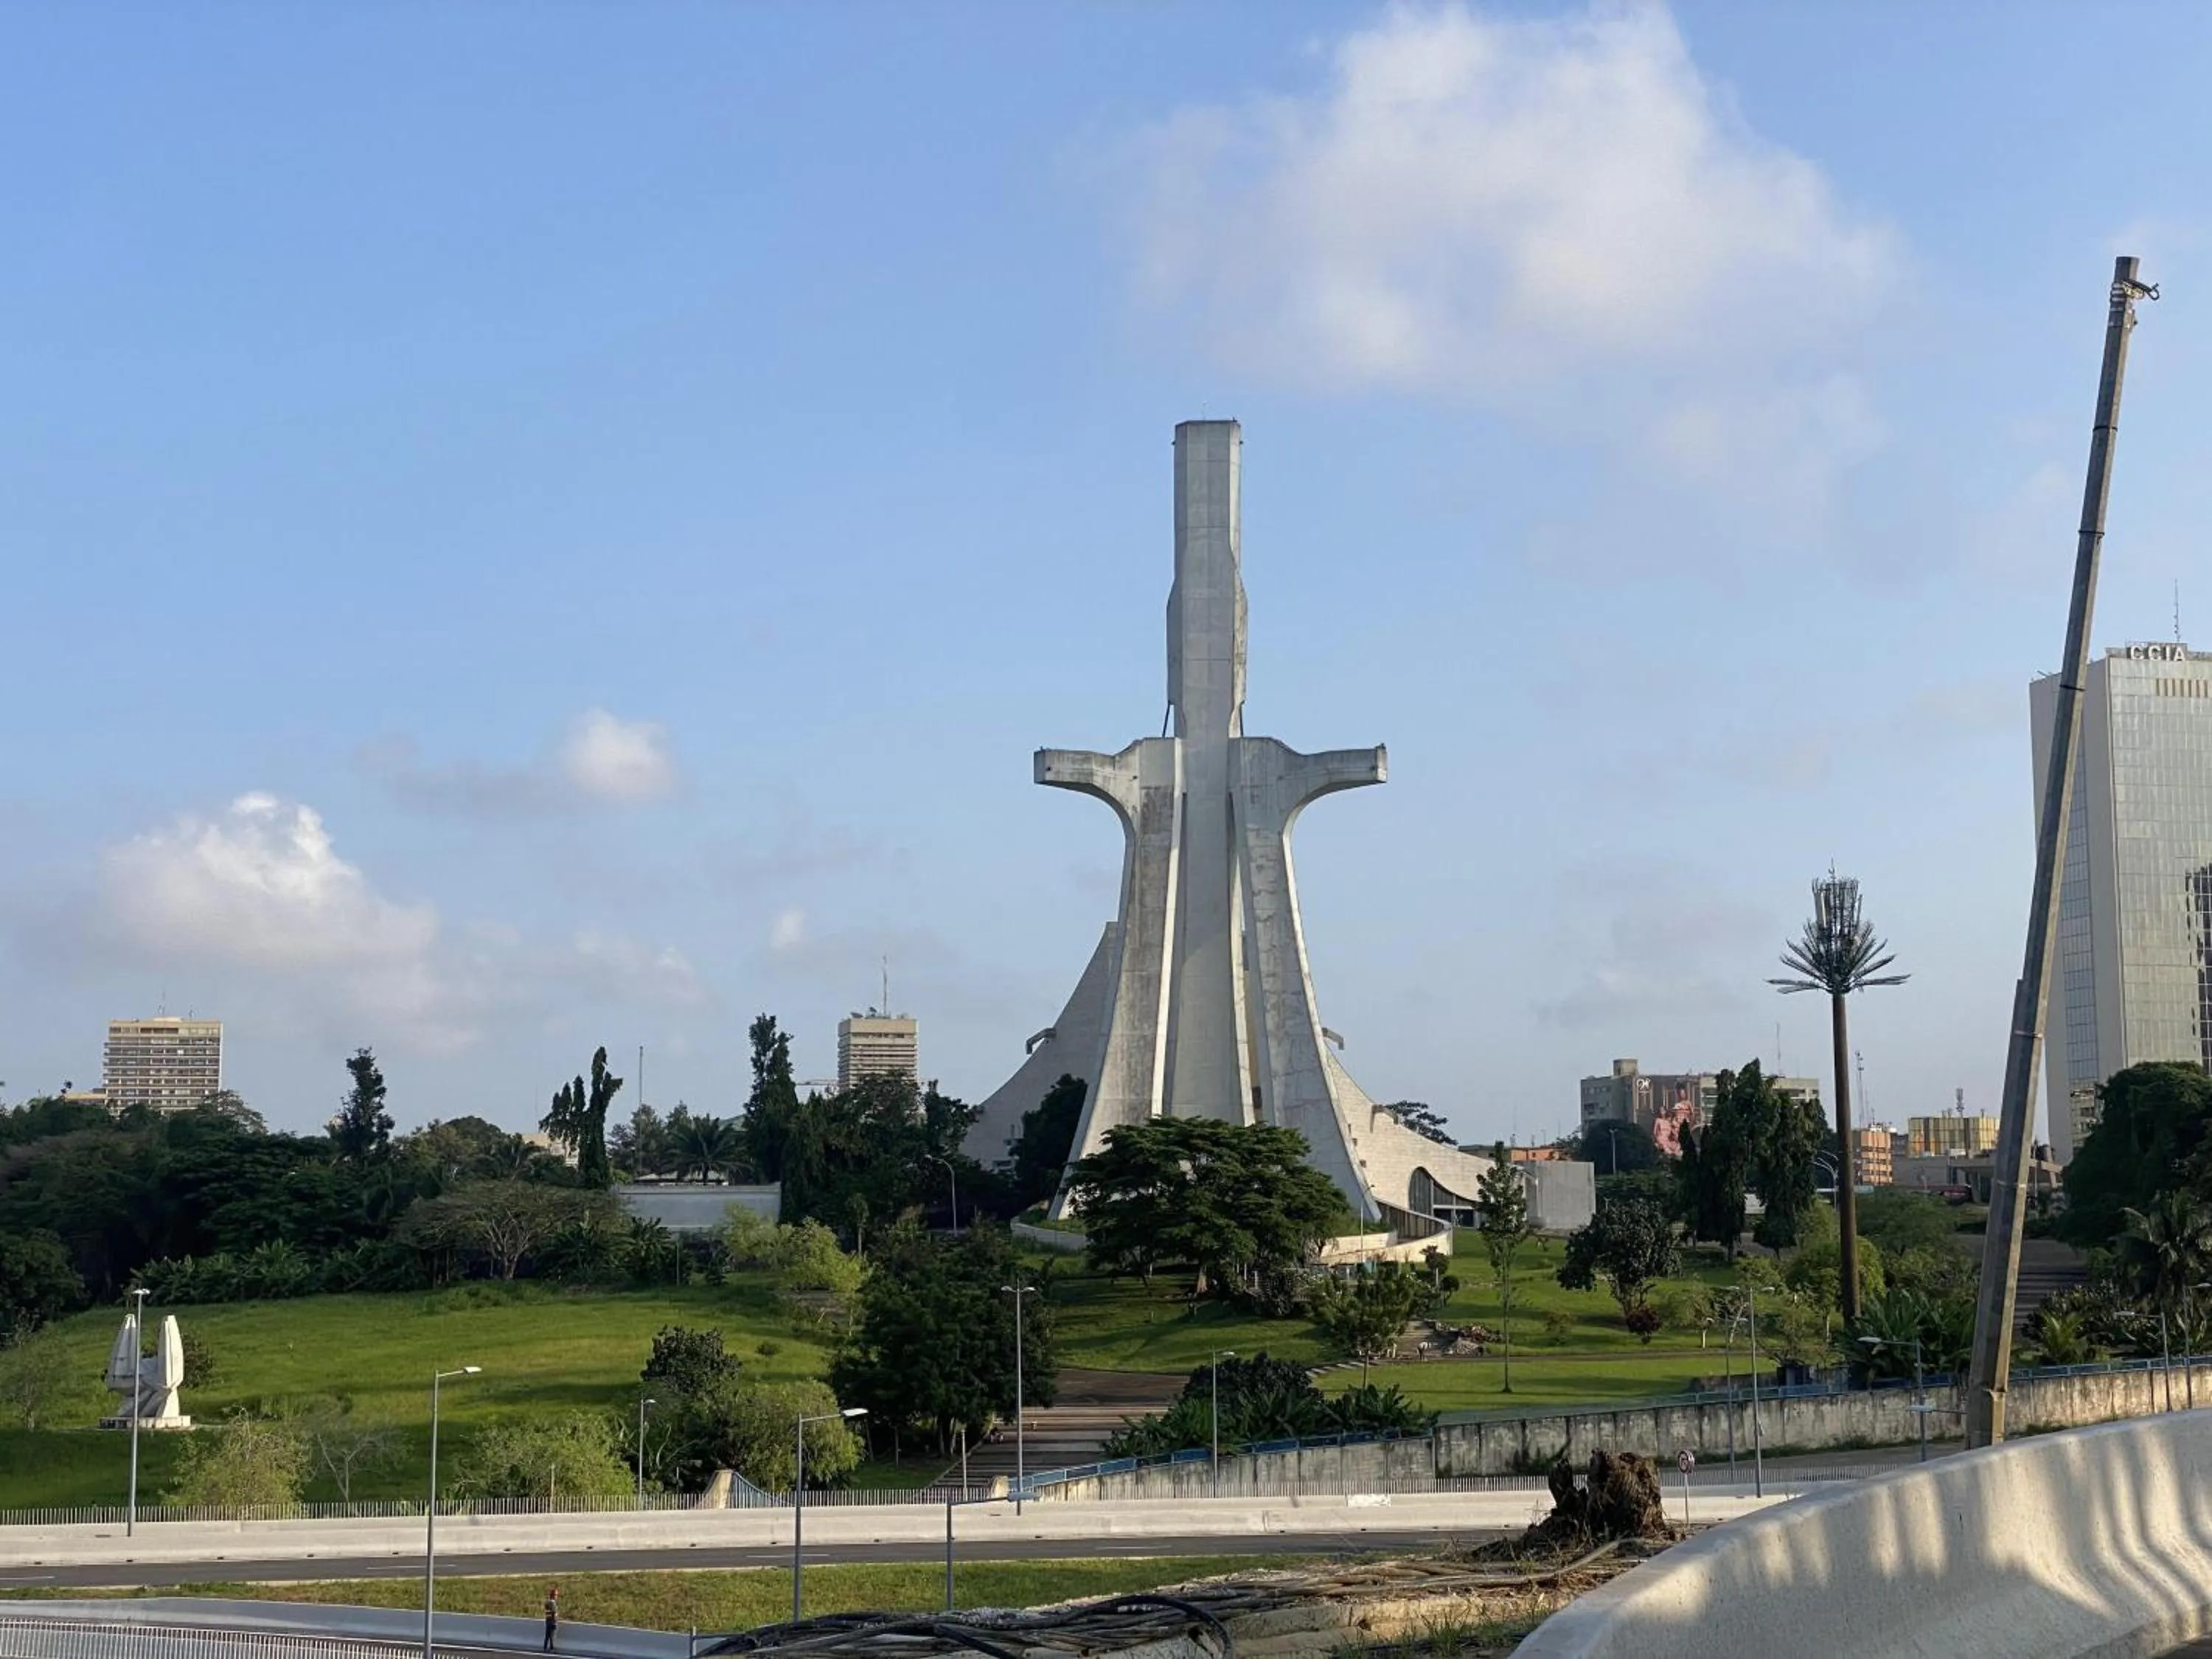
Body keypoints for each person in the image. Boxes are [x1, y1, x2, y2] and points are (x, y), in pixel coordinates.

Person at [543, 1584, 560, 1652]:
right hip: (552, 1621)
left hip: (547, 1620)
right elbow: (554, 1613)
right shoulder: (553, 1603)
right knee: (552, 1635)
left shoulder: (547, 1602)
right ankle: (552, 1648)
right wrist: (555, 1622)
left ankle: (545, 1647)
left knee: (547, 1635)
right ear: (553, 1595)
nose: (557, 1596)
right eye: (556, 1595)